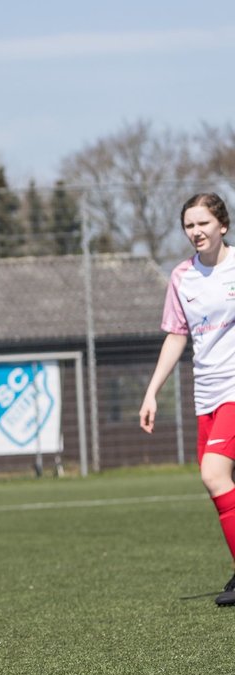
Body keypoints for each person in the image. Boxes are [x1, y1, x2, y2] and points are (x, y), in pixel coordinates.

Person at [140, 192, 235, 607]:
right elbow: (177, 335)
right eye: (189, 226)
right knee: (224, 485)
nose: (196, 232)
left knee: (214, 475)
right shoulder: (181, 276)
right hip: (206, 396)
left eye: (204, 224)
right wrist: (152, 392)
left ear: (223, 226)